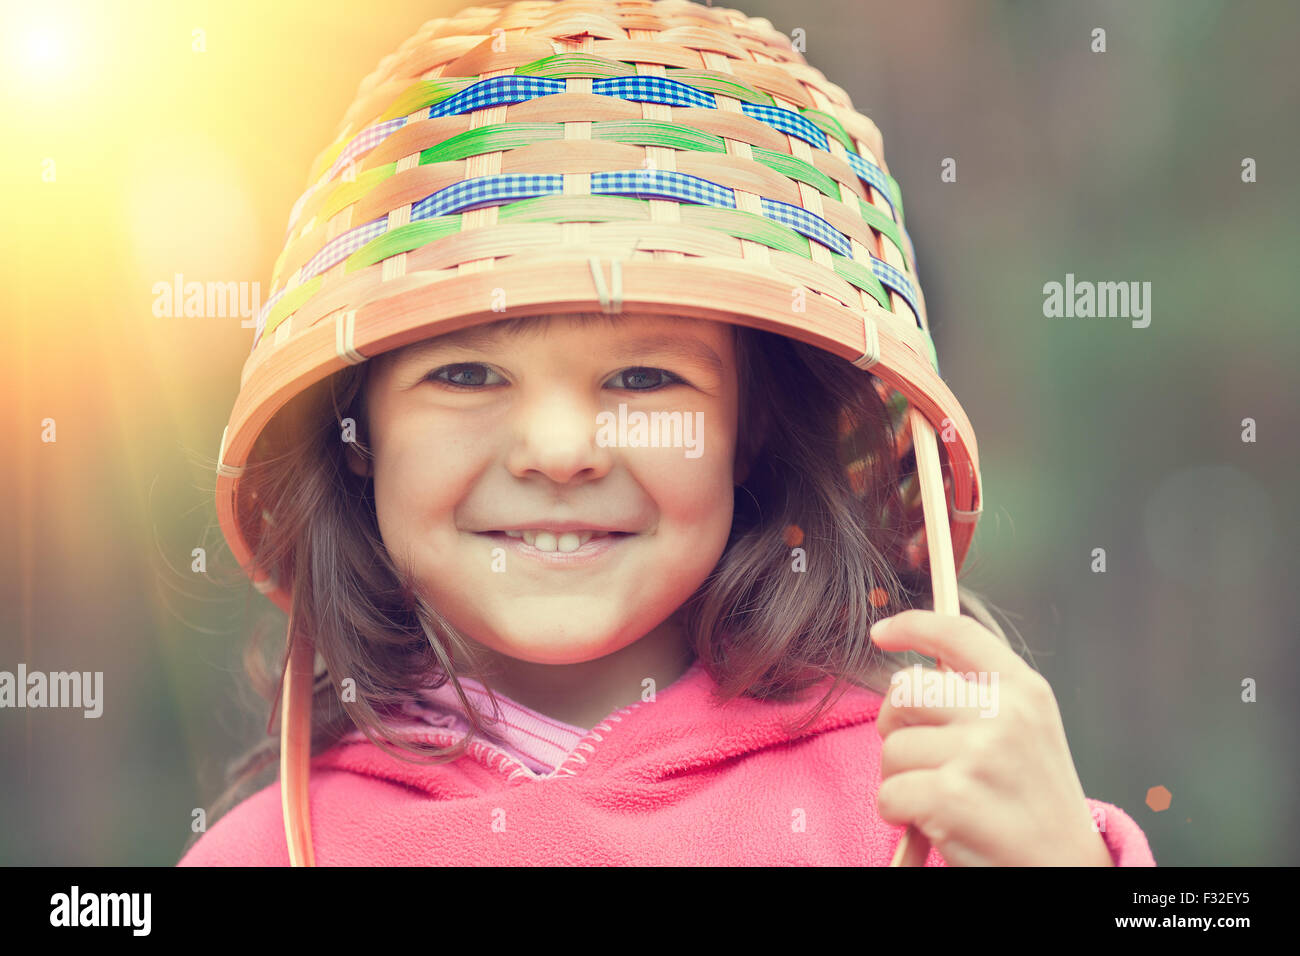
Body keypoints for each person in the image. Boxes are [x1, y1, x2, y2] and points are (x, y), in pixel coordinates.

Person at [179, 0, 1156, 866]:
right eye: (467, 372)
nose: (559, 449)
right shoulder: (267, 847)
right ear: (356, 434)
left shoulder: (923, 800)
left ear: (751, 428)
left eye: (644, 376)